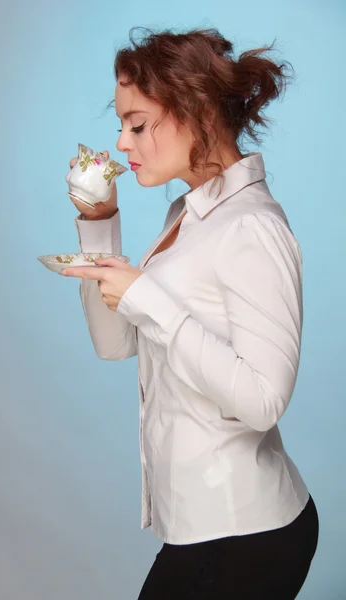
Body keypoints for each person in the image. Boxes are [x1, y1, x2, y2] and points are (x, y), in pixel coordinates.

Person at [62, 26, 319, 600]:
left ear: (196, 110)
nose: (123, 143)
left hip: (250, 532)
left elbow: (263, 399)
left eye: (138, 124)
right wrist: (100, 221)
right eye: (120, 126)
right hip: (198, 531)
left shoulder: (251, 226)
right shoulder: (190, 213)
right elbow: (114, 343)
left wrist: (148, 299)